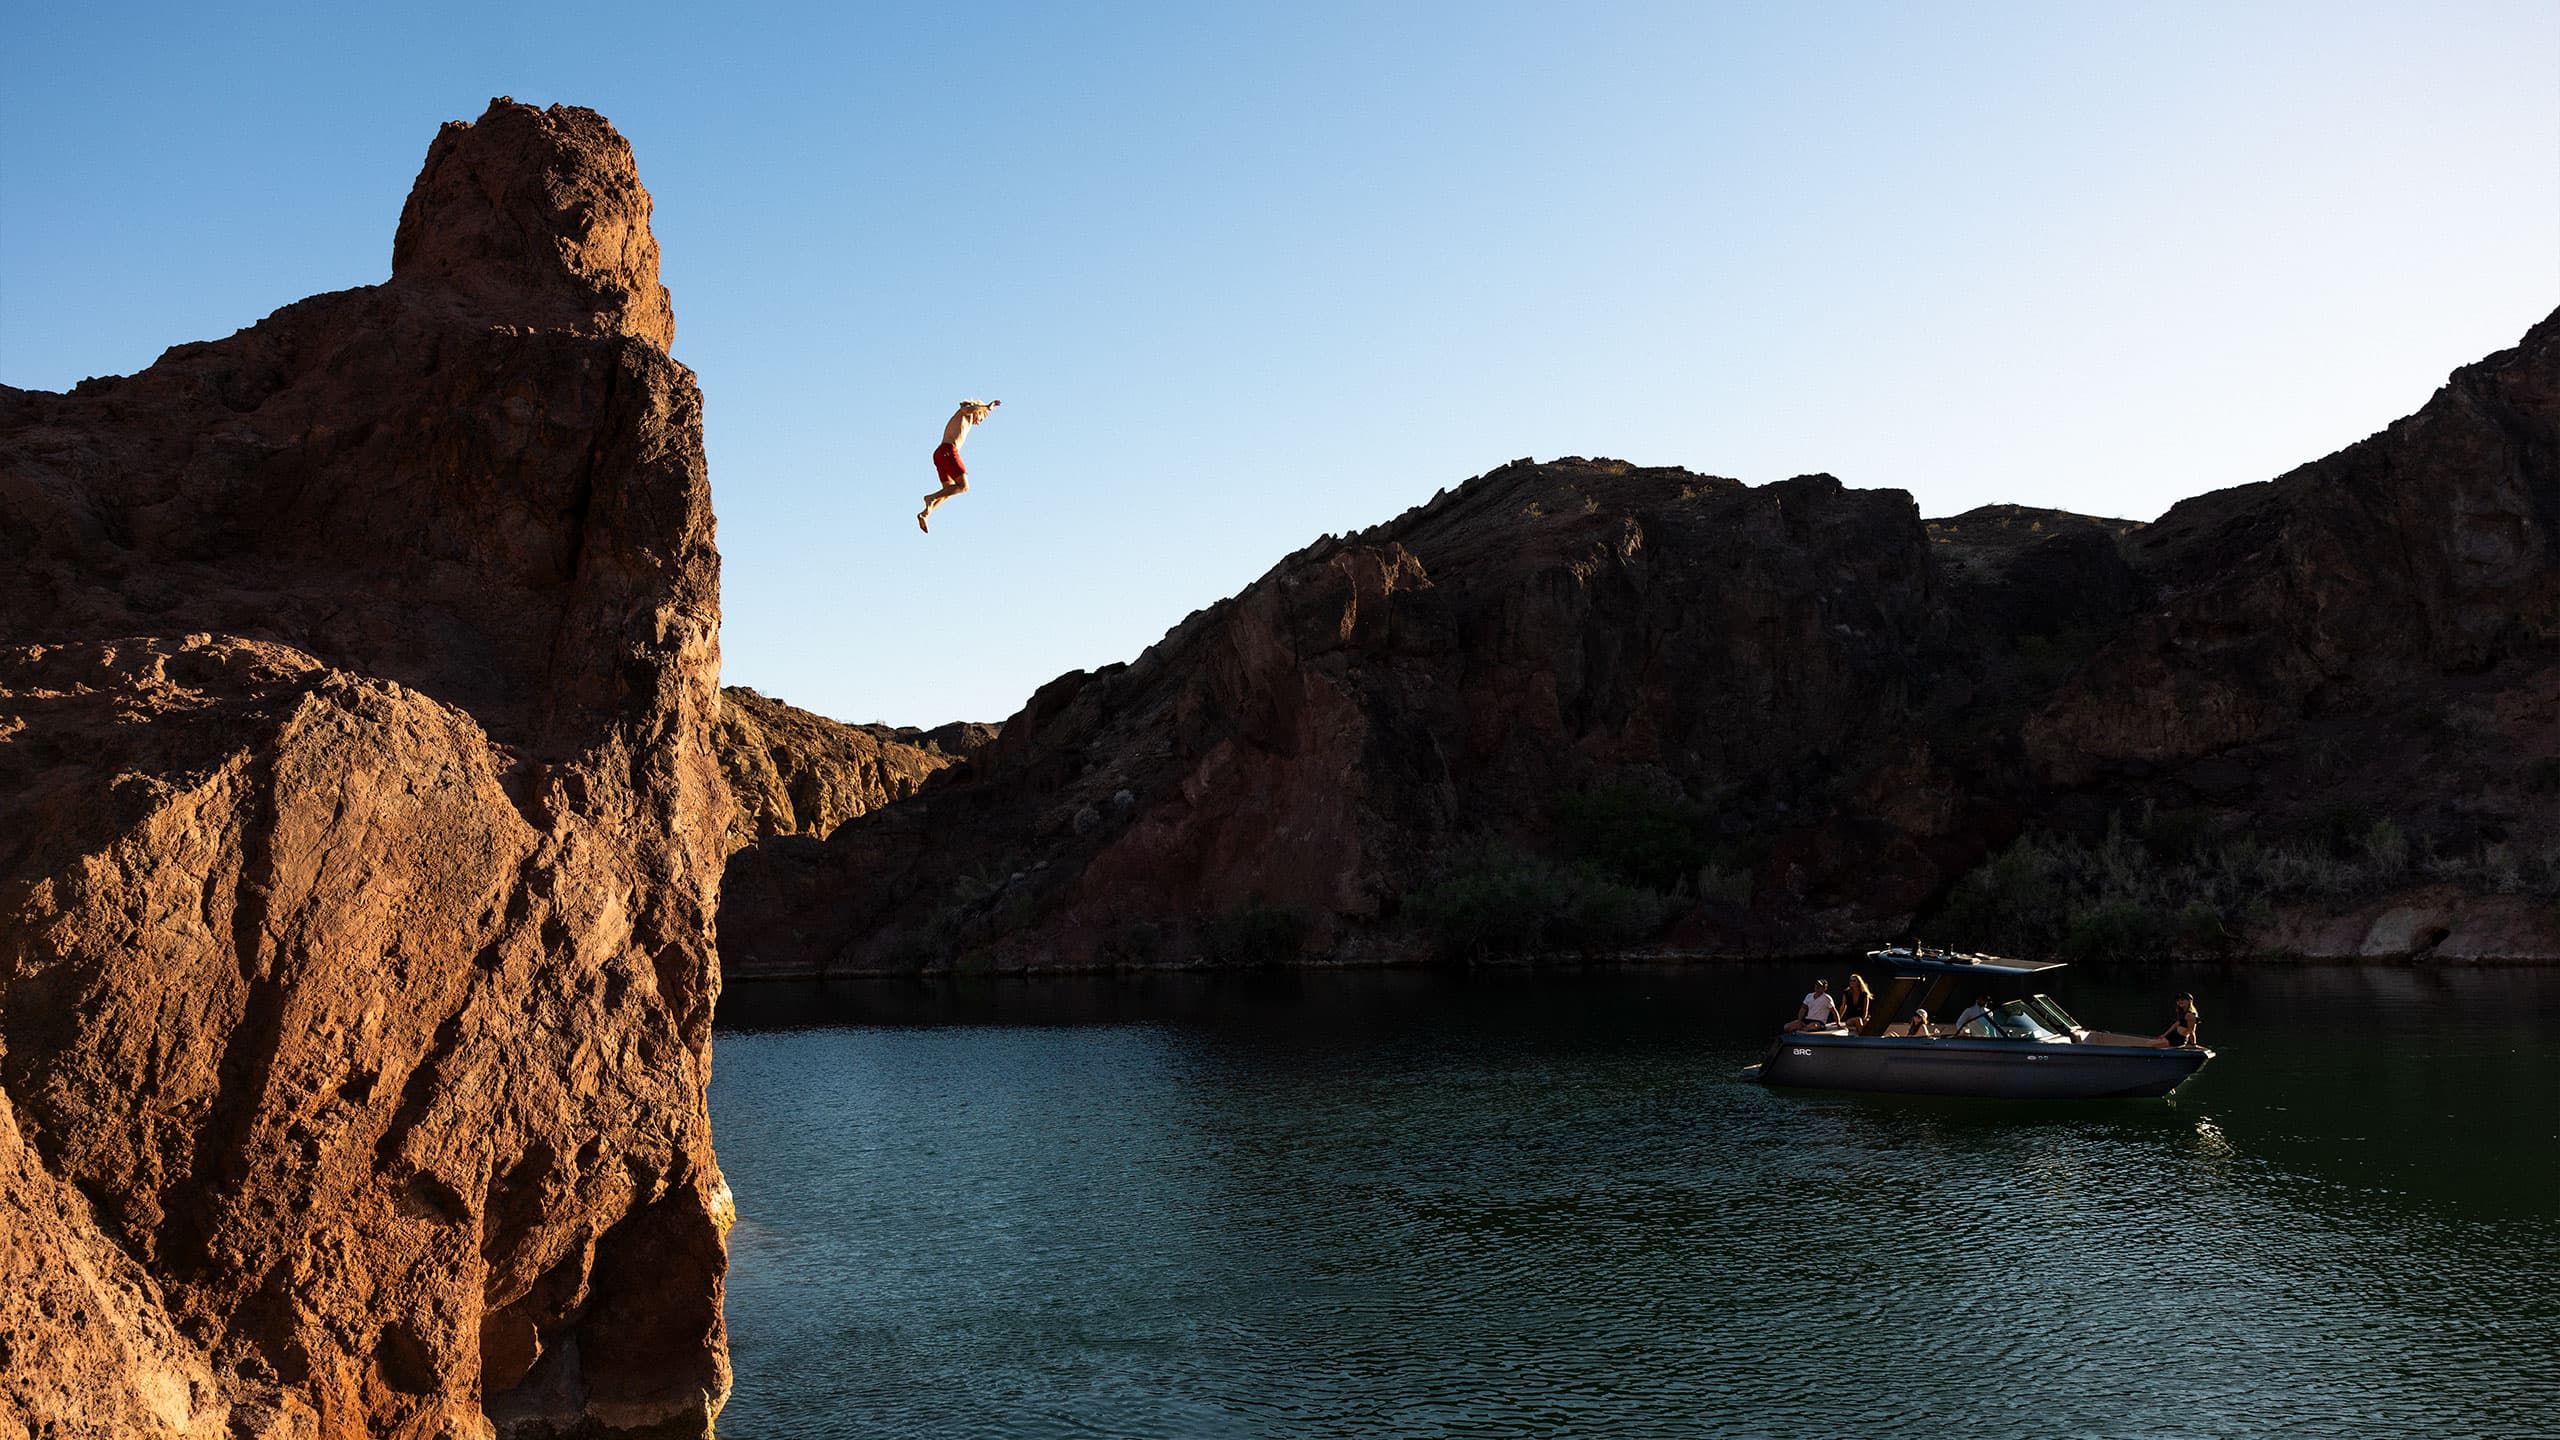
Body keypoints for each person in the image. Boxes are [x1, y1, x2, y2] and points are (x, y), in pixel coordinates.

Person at [918, 398, 1001, 533]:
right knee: (963, 486)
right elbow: (966, 409)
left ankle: (925, 513)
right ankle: (930, 498)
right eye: (981, 418)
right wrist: (986, 407)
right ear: (978, 411)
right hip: (948, 451)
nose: (979, 422)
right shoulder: (964, 413)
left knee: (949, 490)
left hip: (940, 453)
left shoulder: (966, 419)